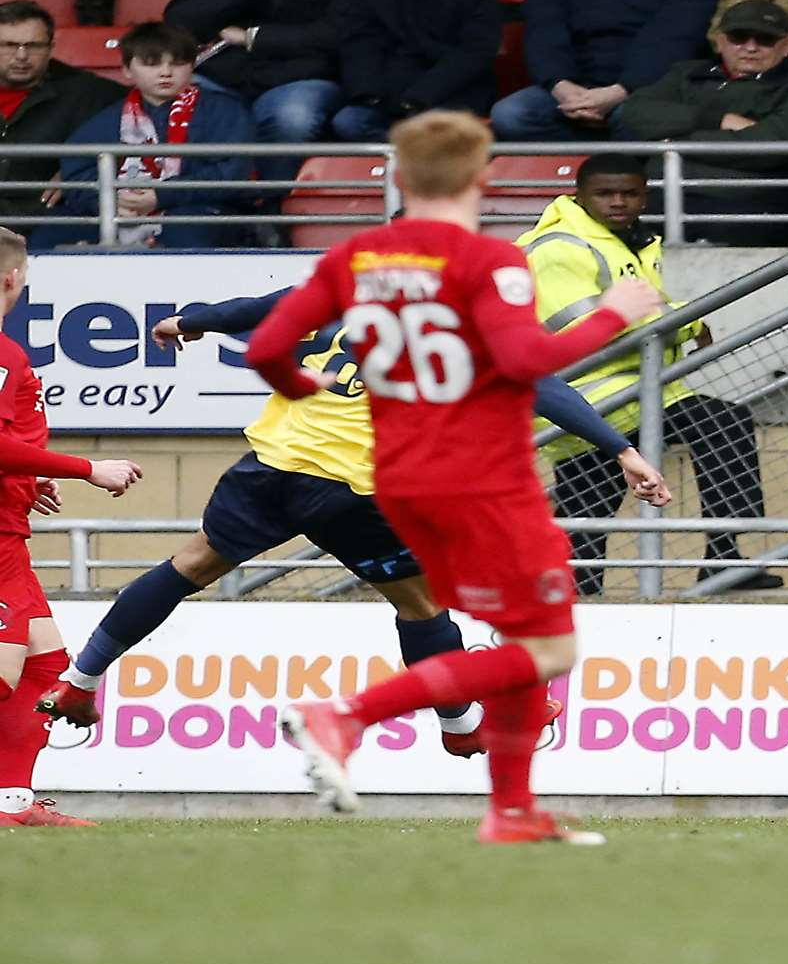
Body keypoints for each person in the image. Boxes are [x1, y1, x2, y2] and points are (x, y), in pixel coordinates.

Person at [247, 111, 671, 844]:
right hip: (483, 478)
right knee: (548, 649)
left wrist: (302, 387)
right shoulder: (492, 264)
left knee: (521, 638)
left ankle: (512, 811)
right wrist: (612, 314)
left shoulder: (356, 259)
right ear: (484, 178)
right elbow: (526, 364)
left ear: (402, 180)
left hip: (399, 479)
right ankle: (344, 716)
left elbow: (267, 347)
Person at [37, 283, 663, 754]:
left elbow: (254, 307)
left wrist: (187, 322)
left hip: (269, 468)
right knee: (422, 606)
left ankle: (80, 679)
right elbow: (543, 388)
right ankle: (461, 728)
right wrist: (625, 450)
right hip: (352, 489)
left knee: (191, 564)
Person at [518, 153, 783, 592]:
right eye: (605, 193)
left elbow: (642, 314)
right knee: (719, 424)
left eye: (630, 193)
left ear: (645, 194)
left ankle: (723, 558)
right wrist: (690, 322)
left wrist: (673, 321)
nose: (618, 201)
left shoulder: (628, 242)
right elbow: (588, 330)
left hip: (632, 396)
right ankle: (721, 559)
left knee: (588, 515)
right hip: (582, 401)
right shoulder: (560, 248)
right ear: (578, 196)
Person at [0, 227, 145, 828]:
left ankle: (11, 801)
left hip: (9, 528)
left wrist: (27, 481)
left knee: (42, 664)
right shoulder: (3, 355)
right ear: (13, 279)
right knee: (5, 675)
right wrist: (87, 468)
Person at [612, 0, 788, 246]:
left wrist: (673, 142)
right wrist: (717, 120)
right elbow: (635, 111)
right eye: (739, 37)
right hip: (661, 200)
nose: (750, 47)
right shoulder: (685, 73)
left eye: (765, 40)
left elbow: (769, 146)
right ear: (720, 41)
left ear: (787, 46)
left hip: (752, 206)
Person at [34, 22, 256, 250]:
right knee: (48, 238)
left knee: (188, 234)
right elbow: (77, 174)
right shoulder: (107, 117)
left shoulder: (225, 110)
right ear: (127, 70)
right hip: (116, 211)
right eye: (152, 63)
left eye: (178, 63)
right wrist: (109, 203)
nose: (165, 72)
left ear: (192, 66)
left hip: (199, 209)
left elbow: (233, 173)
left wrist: (161, 196)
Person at [165, 0, 375, 186]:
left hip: (301, 77)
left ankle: (270, 204)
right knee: (178, 105)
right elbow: (179, 23)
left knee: (293, 118)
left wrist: (253, 38)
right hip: (222, 75)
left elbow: (339, 33)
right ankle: (200, 204)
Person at [489, 0, 723, 142]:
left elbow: (675, 37)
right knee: (510, 115)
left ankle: (627, 185)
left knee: (638, 119)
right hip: (574, 88)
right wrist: (561, 86)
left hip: (652, 89)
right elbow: (545, 27)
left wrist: (621, 91)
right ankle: (575, 180)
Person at [330, 0, 502, 141]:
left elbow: (474, 54)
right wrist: (370, 94)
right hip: (388, 98)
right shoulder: (373, 0)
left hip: (455, 95)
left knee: (432, 129)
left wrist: (420, 97)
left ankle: (414, 156)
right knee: (349, 122)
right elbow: (361, 51)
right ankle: (407, 156)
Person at [0, 0, 125, 227]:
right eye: (9, 45)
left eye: (34, 46)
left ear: (50, 48)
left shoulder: (87, 90)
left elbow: (141, 117)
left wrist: (78, 167)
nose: (21, 56)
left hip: (41, 220)